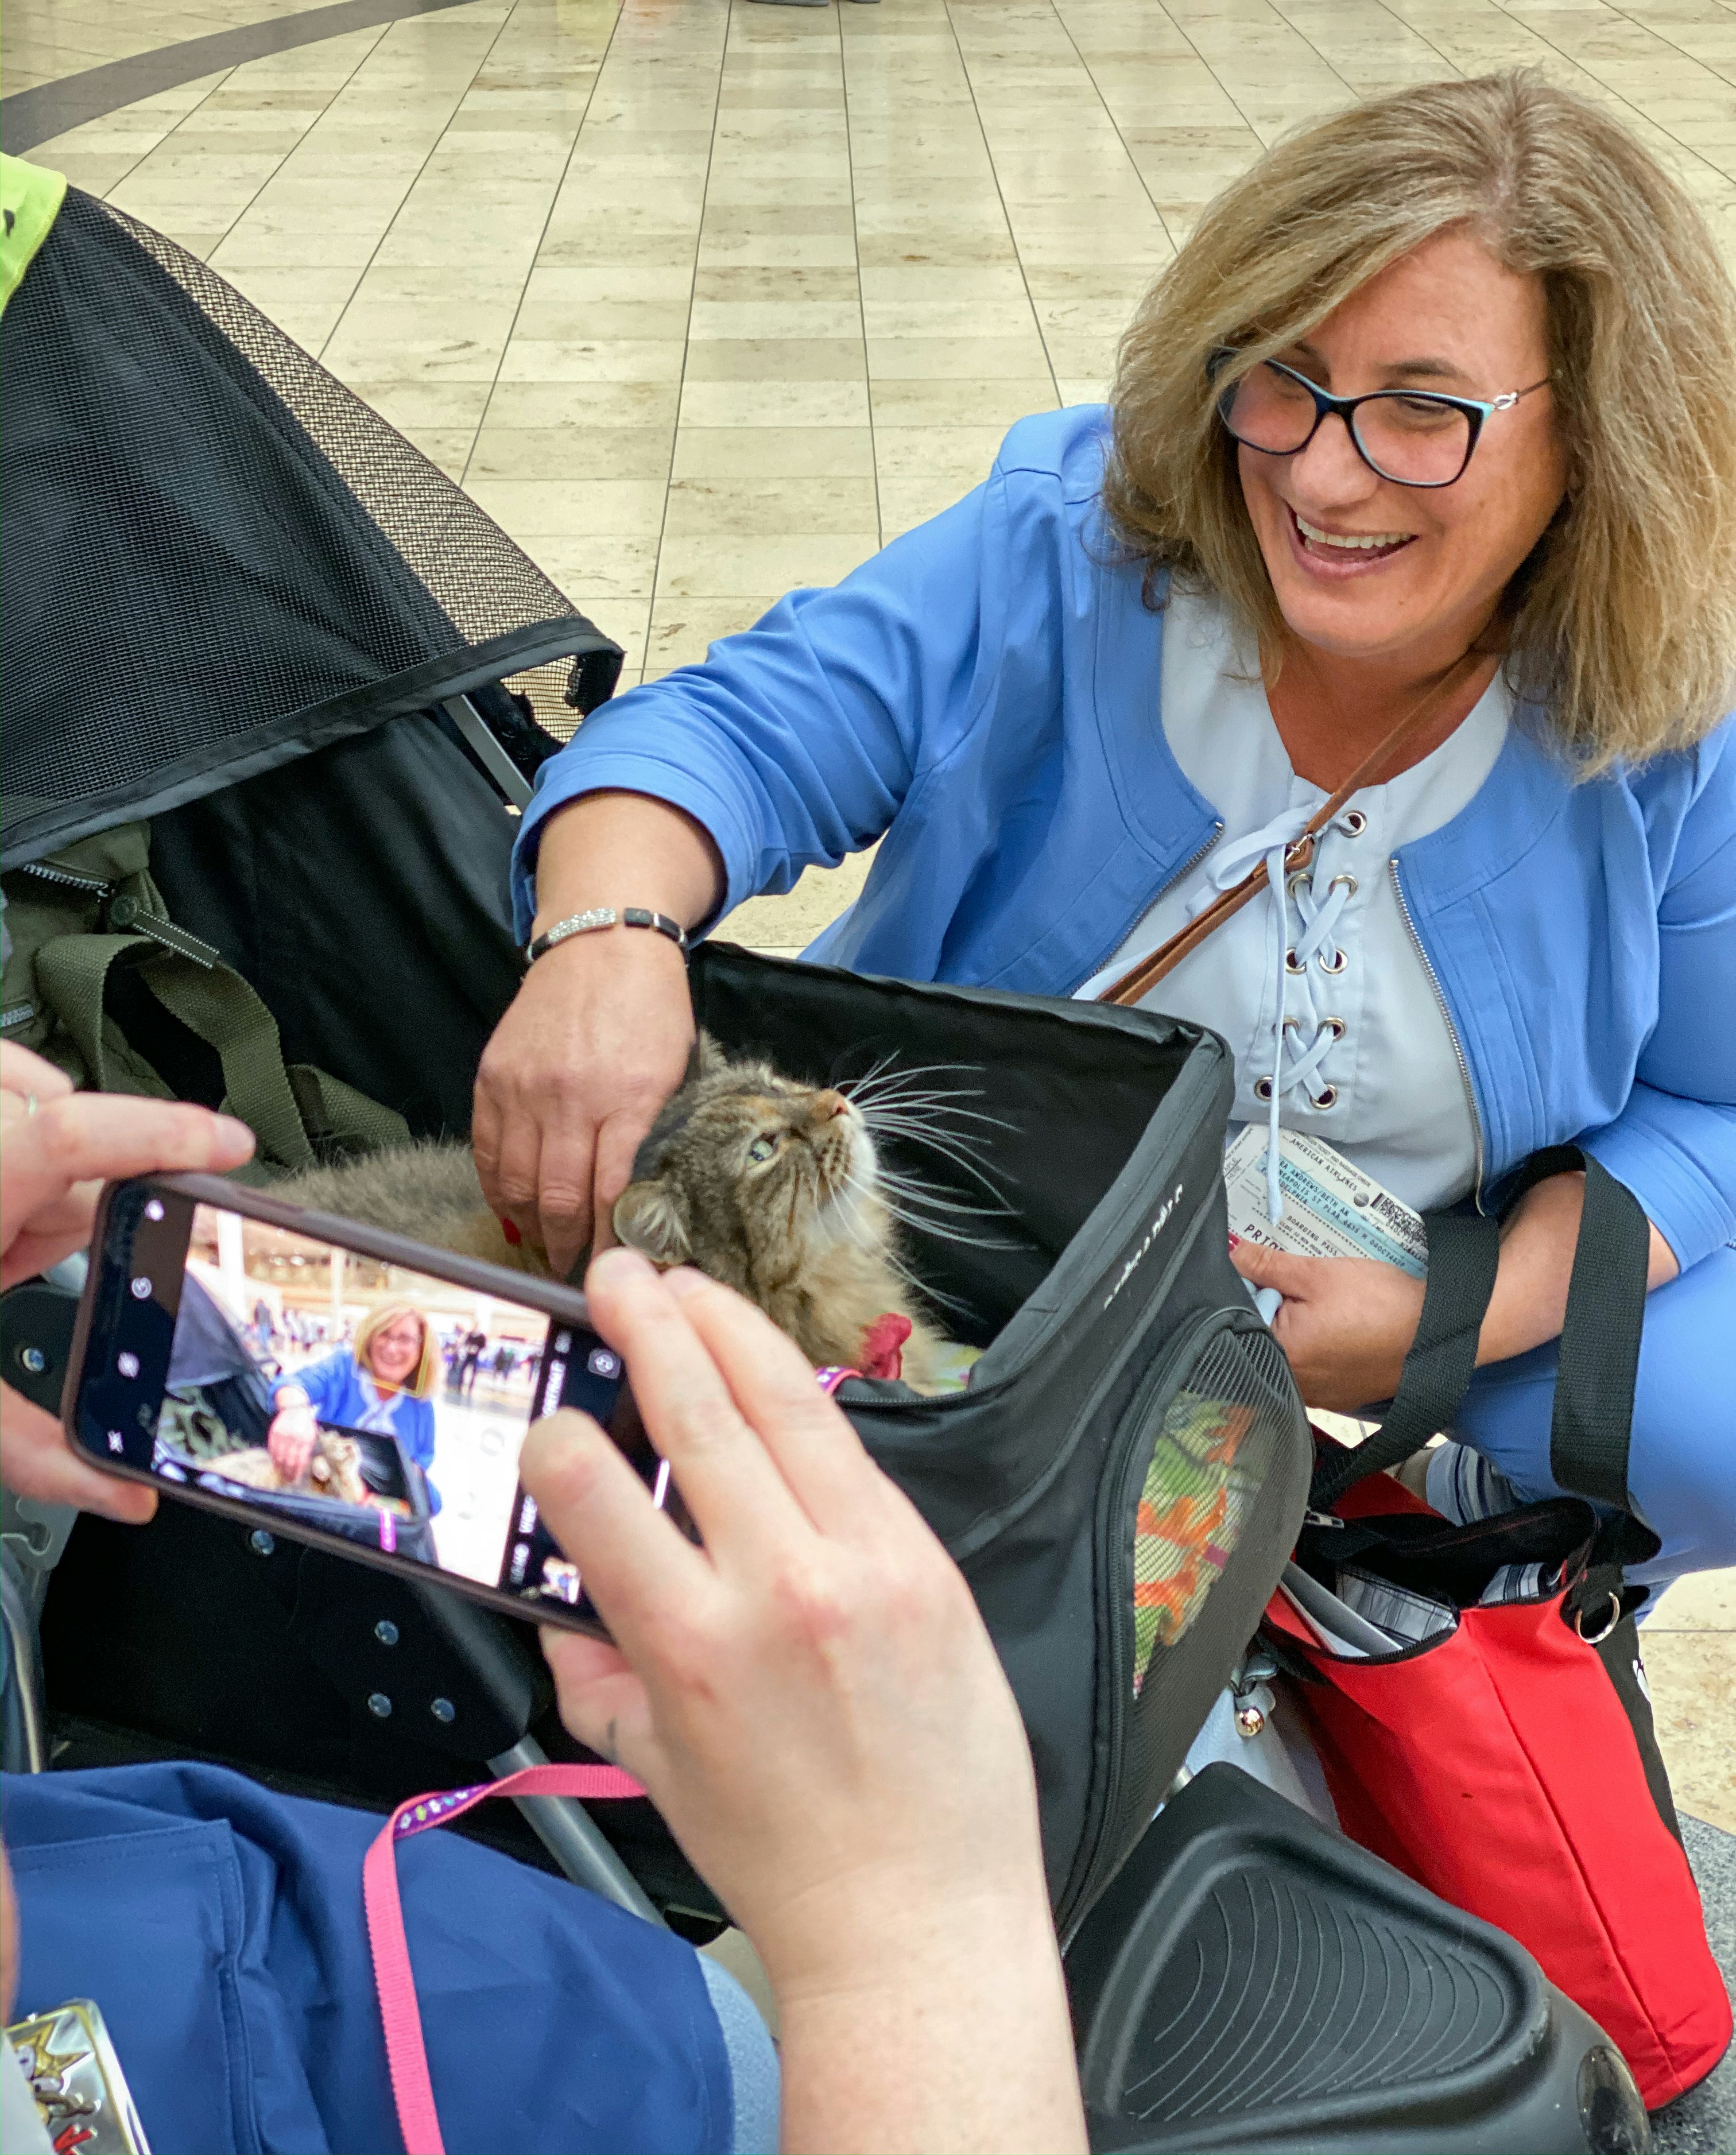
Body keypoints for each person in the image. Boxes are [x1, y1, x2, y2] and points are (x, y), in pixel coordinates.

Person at [474, 71, 1736, 1588]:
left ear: (1596, 435)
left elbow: (1712, 1108)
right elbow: (726, 733)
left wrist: (1443, 1325)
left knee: (1700, 1424)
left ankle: (1474, 1576)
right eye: (1283, 375)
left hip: (1413, 1278)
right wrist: (605, 939)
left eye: (1422, 412)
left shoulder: (1674, 703)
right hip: (993, 1240)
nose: (1324, 475)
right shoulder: (1065, 547)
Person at [0, 1036, 1085, 2153]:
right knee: (723, 2057)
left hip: (166, 1916)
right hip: (217, 1975)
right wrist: (917, 1918)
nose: (821, 1110)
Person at [266, 1302, 443, 1510]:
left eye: (405, 1339)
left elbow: (422, 1458)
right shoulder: (343, 1367)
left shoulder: (421, 1403)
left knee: (433, 1503)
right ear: (369, 1338)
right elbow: (294, 1384)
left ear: (421, 1348)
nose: (392, 1347)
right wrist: (294, 1412)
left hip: (378, 1507)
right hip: (324, 1491)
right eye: (384, 1334)